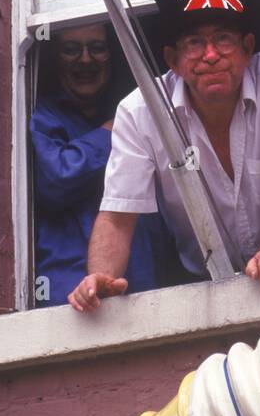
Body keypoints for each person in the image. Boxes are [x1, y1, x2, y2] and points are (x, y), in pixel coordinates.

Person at [67, 0, 260, 312]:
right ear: (171, 58)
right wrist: (99, 278)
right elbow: (118, 216)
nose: (210, 55)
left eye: (224, 39)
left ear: (248, 48)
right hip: (201, 290)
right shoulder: (140, 110)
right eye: (194, 43)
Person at [30, 22, 180, 306]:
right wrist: (113, 132)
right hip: (71, 294)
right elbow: (54, 181)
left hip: (145, 289)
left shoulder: (133, 114)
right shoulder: (44, 115)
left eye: (97, 49)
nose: (85, 60)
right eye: (71, 50)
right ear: (54, 58)